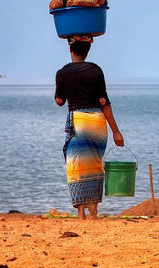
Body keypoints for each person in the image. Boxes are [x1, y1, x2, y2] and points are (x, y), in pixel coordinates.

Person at [54, 35, 125, 220]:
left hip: (79, 121)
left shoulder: (62, 73)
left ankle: (81, 214)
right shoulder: (96, 71)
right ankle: (94, 210)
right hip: (98, 124)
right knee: (94, 165)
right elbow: (104, 102)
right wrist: (116, 131)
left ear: (71, 50)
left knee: (76, 167)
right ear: (88, 51)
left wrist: (63, 93)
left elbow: (59, 101)